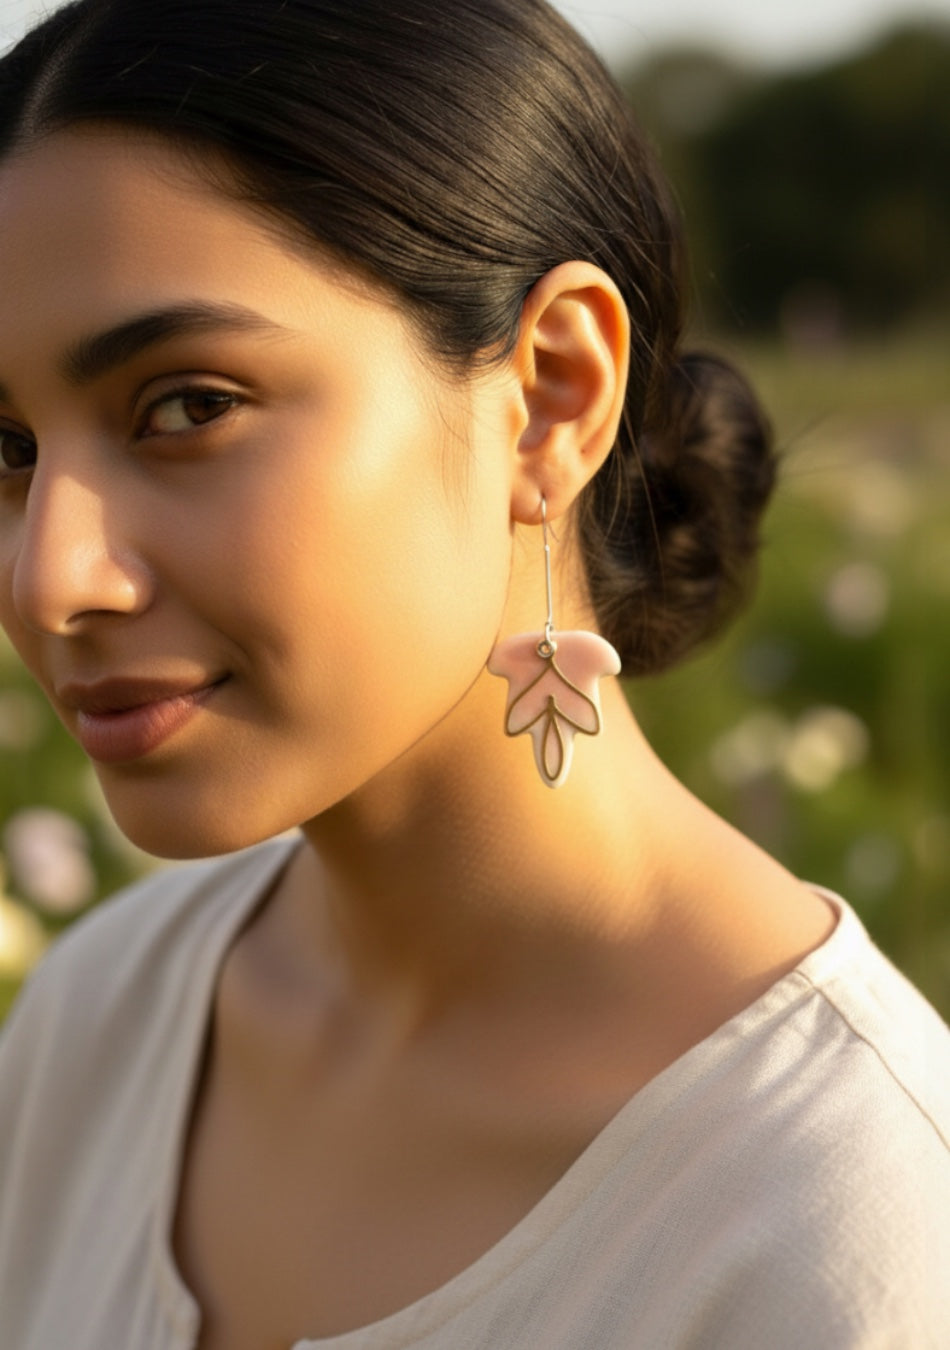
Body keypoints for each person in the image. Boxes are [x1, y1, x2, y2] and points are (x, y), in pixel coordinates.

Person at [0, 0, 946, 1346]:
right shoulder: (95, 1021)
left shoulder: (851, 1233)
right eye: (9, 449)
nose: (50, 578)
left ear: (551, 395)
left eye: (189, 406)